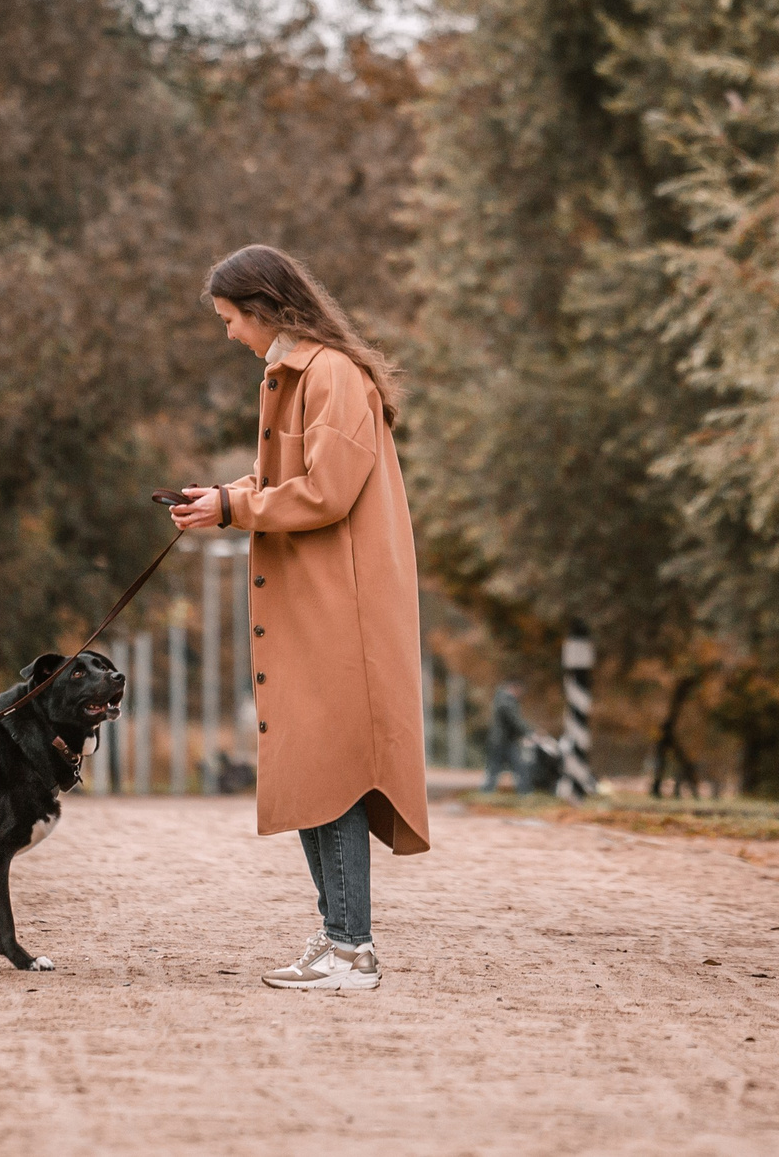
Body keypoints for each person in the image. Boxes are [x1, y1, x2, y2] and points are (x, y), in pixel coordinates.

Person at [171, 244, 430, 992]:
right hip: (316, 606)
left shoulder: (331, 375)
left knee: (335, 774)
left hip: (340, 611)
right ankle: (339, 937)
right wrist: (220, 497)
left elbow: (327, 491)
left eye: (229, 318)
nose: (228, 332)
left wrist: (234, 506)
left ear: (262, 308)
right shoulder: (295, 374)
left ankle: (352, 949)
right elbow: (285, 478)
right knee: (313, 770)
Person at [483, 681, 533, 793]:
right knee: (518, 766)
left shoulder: (502, 699)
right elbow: (514, 721)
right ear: (515, 688)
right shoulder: (506, 702)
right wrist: (529, 732)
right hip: (504, 740)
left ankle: (487, 791)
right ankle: (525, 791)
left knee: (494, 768)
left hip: (501, 740)